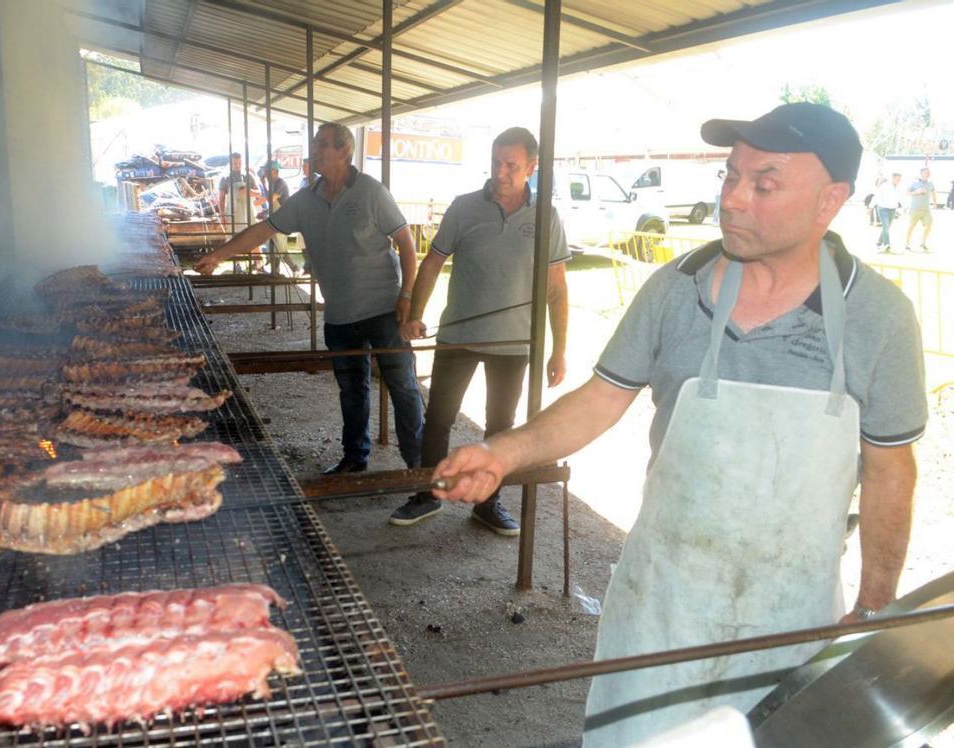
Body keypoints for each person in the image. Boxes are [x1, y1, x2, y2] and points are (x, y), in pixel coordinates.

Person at [432, 103, 926, 744]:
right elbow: (602, 399)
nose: (734, 200)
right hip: (662, 600)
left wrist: (873, 606)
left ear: (830, 201)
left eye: (764, 184)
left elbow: (890, 470)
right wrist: (504, 452)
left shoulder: (879, 318)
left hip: (788, 614)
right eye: (730, 176)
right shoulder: (676, 289)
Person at [195, 123, 425, 475]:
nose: (315, 151)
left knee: (403, 386)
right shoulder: (305, 199)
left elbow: (407, 245)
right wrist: (219, 254)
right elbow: (263, 230)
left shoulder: (371, 192)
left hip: (383, 310)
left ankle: (419, 464)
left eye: (322, 145)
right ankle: (354, 458)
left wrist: (407, 295)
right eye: (315, 144)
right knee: (351, 391)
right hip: (339, 313)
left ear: (344, 151)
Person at [391, 127, 571, 535]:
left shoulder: (547, 217)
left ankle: (487, 504)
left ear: (532, 167)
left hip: (514, 342)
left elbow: (556, 288)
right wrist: (414, 313)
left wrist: (558, 350)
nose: (501, 172)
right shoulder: (464, 208)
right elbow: (434, 261)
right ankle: (426, 493)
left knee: (501, 425)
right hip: (459, 335)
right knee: (438, 417)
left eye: (511, 165)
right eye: (496, 162)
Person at [216, 152, 264, 258]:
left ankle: (259, 265)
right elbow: (221, 199)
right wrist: (222, 215)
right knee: (234, 240)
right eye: (235, 163)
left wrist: (247, 191)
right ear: (230, 163)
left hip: (248, 212)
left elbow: (259, 194)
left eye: (239, 163)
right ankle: (237, 266)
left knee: (253, 238)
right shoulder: (225, 179)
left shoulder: (248, 177)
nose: (237, 165)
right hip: (233, 213)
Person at [259, 160, 297, 274]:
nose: (265, 172)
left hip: (283, 218)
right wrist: (265, 212)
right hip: (275, 217)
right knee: (274, 245)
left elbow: (272, 199)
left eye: (267, 170)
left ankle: (292, 268)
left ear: (274, 171)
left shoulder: (280, 183)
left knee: (279, 247)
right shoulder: (272, 184)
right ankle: (277, 271)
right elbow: (270, 202)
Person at [904, 167, 937, 252]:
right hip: (915, 208)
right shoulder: (914, 183)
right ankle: (907, 243)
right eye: (926, 172)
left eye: (929, 172)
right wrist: (916, 192)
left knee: (928, 226)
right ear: (921, 173)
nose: (928, 173)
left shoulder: (931, 183)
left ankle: (923, 243)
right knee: (911, 226)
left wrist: (935, 203)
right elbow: (907, 193)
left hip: (926, 209)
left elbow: (933, 193)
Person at [872, 172, 902, 253]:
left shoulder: (899, 187)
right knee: (885, 227)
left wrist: (901, 209)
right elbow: (877, 196)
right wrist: (870, 207)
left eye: (899, 179)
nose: (899, 181)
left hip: (892, 210)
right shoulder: (885, 186)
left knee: (887, 228)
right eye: (897, 179)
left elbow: (899, 199)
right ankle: (887, 245)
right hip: (883, 209)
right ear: (893, 178)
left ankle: (878, 243)